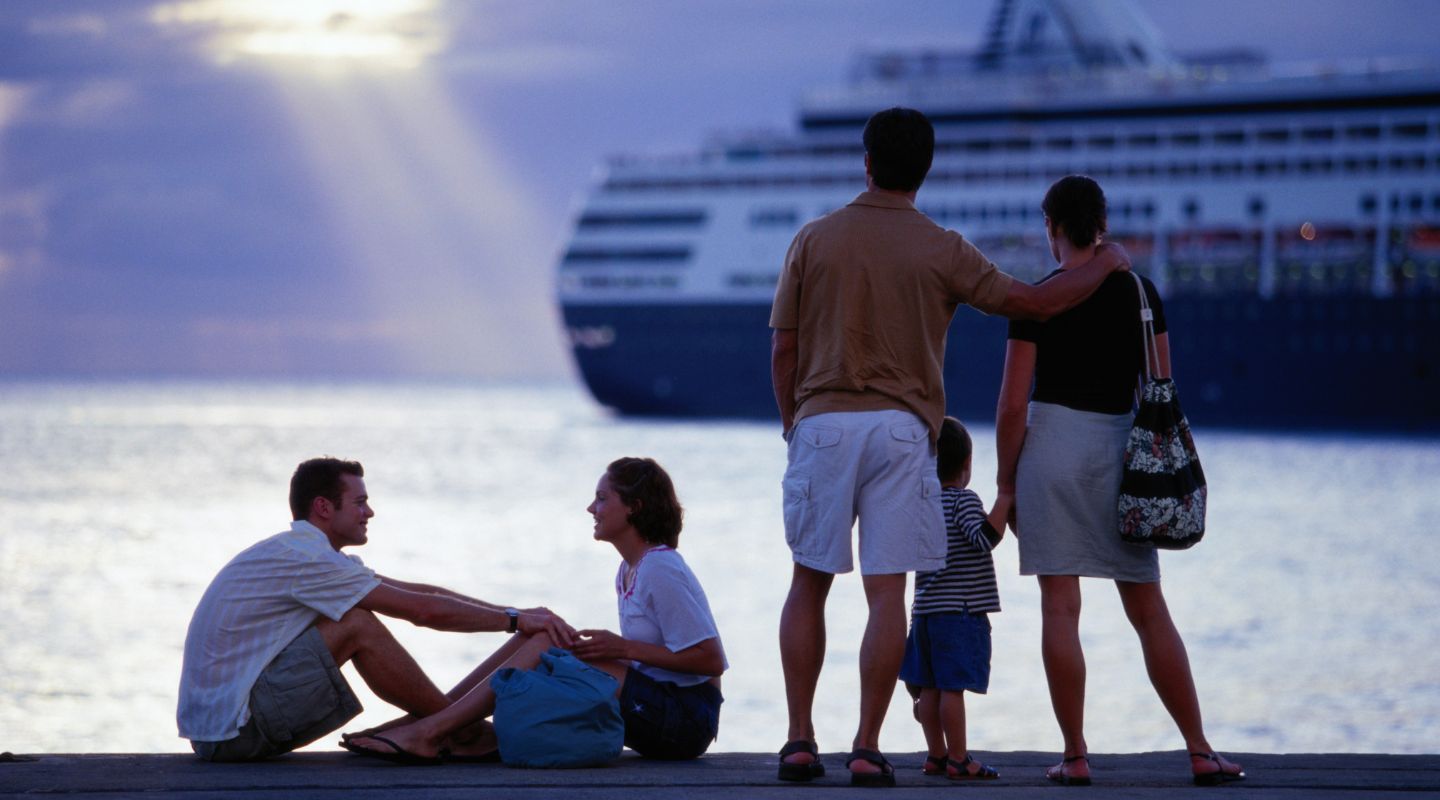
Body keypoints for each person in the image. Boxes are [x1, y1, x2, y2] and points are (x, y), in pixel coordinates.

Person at [770, 106, 1131, 787]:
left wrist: (794, 424)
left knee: (808, 583)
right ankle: (867, 745)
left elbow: (783, 346)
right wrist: (1108, 261)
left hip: (822, 419)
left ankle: (797, 739)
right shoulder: (943, 247)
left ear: (867, 162)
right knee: (887, 598)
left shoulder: (812, 240)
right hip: (905, 430)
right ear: (925, 172)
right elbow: (1036, 303)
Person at [995, 174, 1245, 787]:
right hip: (1119, 448)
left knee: (1061, 607)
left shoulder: (1036, 299)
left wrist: (1005, 485)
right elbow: (1161, 382)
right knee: (1148, 608)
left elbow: (1009, 404)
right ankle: (1199, 749)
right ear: (1100, 225)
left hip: (1050, 445)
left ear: (1052, 228)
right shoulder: (1141, 292)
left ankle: (1076, 755)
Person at [176, 457, 574, 763]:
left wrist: (517, 615)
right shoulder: (307, 558)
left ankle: (440, 725)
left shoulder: (311, 555)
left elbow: (417, 592)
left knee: (356, 616)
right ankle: (457, 732)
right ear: (323, 508)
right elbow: (423, 612)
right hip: (230, 734)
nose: (369, 512)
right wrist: (514, 620)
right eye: (360, 502)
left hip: (223, 728)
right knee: (356, 624)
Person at [343, 457, 727, 762]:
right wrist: (614, 651)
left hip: (688, 722)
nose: (591, 507)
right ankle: (429, 720)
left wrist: (623, 649)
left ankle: (430, 732)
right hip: (659, 705)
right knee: (537, 632)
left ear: (634, 508)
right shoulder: (629, 569)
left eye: (603, 497)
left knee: (546, 641)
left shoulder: (661, 567)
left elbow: (710, 660)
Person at [899, 417, 1009, 782]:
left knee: (928, 688)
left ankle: (936, 755)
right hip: (958, 613)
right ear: (967, 466)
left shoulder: (921, 506)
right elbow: (983, 540)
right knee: (951, 689)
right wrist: (1004, 501)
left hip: (925, 614)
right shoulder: (964, 500)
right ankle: (959, 759)